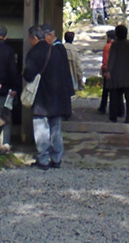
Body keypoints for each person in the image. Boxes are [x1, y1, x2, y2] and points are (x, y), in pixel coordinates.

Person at [23, 24, 74, 170]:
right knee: (56, 129)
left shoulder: (35, 53)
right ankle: (57, 158)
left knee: (41, 129)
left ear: (34, 38)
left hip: (41, 97)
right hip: (57, 97)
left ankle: (43, 160)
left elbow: (28, 74)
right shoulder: (57, 50)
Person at [105, 23, 129, 124]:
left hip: (116, 75)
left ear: (117, 34)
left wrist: (108, 71)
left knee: (114, 97)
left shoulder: (115, 45)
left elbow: (111, 59)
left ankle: (113, 117)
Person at [97, 28, 115, 114]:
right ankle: (116, 108)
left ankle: (103, 108)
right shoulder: (117, 46)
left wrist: (104, 70)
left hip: (108, 71)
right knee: (116, 92)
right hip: (117, 71)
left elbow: (105, 60)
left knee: (105, 91)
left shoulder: (107, 47)